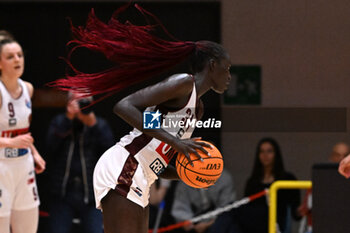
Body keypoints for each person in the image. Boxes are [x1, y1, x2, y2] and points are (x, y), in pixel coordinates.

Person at [50, 4, 232, 233]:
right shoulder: (183, 84)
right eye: (227, 69)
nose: (229, 76)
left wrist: (190, 174)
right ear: (213, 65)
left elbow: (158, 157)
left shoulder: (198, 109)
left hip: (143, 174)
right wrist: (176, 142)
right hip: (124, 164)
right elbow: (125, 106)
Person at [46, 94, 115, 233]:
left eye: (85, 101)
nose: (81, 105)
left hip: (92, 195)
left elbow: (110, 153)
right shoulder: (60, 122)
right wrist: (67, 119)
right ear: (68, 102)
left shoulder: (99, 125)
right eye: (77, 101)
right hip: (62, 194)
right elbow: (49, 148)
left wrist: (93, 125)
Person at [0, 30, 46, 233]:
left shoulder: (28, 89)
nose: (17, 60)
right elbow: (14, 138)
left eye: (19, 55)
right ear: (0, 63)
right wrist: (11, 143)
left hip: (23, 166)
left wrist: (35, 153)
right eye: (10, 57)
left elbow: (22, 133)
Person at [239, 137, 301, 233]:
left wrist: (303, 209)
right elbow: (247, 208)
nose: (265, 155)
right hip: (253, 223)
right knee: (231, 215)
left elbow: (296, 213)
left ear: (276, 154)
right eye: (262, 152)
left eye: (269, 151)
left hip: (275, 223)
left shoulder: (287, 179)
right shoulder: (252, 181)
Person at [171, 169, 236, 233]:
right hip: (194, 221)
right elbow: (180, 207)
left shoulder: (224, 178)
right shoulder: (187, 179)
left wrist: (208, 224)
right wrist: (187, 222)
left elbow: (227, 209)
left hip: (218, 221)